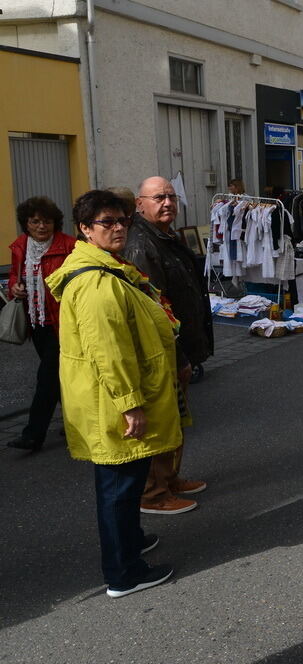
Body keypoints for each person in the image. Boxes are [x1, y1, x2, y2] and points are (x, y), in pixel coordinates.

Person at [45, 189, 180, 598]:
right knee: (119, 488)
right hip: (112, 401)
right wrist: (130, 405)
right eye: (107, 222)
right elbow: (109, 352)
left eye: (122, 220)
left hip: (108, 397)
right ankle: (124, 573)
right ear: (85, 230)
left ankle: (130, 542)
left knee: (125, 482)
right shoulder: (97, 284)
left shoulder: (107, 268)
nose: (118, 228)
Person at [122, 176, 210, 515]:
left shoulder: (164, 236)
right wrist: (177, 356)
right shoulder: (142, 245)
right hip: (165, 353)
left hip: (179, 348)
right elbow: (155, 310)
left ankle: (170, 479)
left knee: (175, 418)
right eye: (159, 197)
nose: (168, 203)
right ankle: (154, 493)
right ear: (140, 204)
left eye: (171, 196)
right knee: (161, 422)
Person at [6, 197, 77, 451]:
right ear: (26, 223)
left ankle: (33, 434)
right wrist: (14, 286)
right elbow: (15, 274)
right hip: (36, 323)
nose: (41, 226)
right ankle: (76, 424)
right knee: (57, 378)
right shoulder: (20, 247)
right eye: (35, 221)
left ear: (54, 222)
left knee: (46, 378)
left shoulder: (69, 245)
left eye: (46, 221)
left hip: (62, 322)